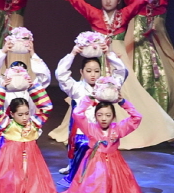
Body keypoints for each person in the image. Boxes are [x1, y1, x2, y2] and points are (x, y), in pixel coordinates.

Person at [43, 0, 174, 148]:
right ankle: (89, 130)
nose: (108, 1)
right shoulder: (94, 14)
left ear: (118, 1)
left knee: (128, 93)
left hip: (117, 58)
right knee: (89, 94)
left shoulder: (124, 14)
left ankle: (138, 131)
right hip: (96, 63)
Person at [50, 32, 130, 181]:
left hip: (102, 132)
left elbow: (121, 72)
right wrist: (73, 53)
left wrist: (108, 54)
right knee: (80, 164)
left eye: (96, 71)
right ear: (81, 72)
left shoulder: (107, 86)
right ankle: (74, 166)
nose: (93, 75)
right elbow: (61, 74)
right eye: (88, 71)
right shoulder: (76, 88)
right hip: (82, 132)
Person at [59, 89, 149, 193]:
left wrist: (123, 102)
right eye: (100, 115)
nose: (104, 118)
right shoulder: (90, 128)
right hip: (95, 162)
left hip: (115, 162)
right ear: (95, 116)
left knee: (116, 183)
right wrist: (89, 99)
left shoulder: (118, 129)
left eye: (108, 115)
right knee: (99, 178)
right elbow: (77, 114)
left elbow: (137, 117)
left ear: (113, 116)